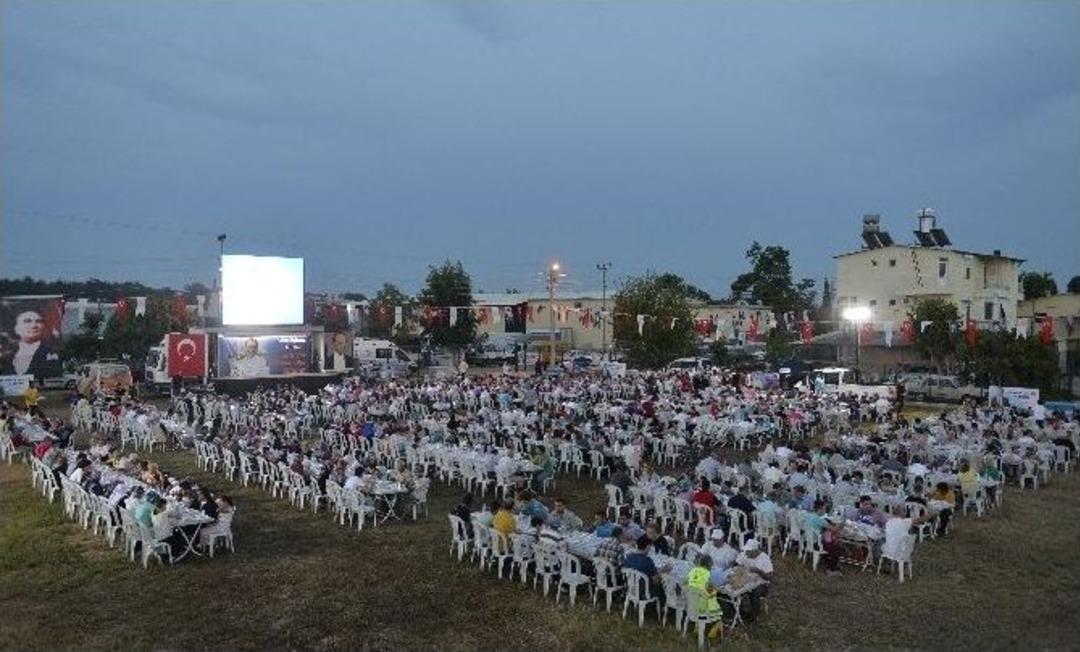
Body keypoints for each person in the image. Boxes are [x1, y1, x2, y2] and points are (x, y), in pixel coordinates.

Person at [1, 309, 61, 379]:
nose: (34, 325)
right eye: (27, 321)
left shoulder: (52, 352)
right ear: (16, 328)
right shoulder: (7, 354)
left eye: (39, 321)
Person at [686, 553, 725, 640]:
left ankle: (697, 626)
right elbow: (711, 592)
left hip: (690, 607)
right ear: (710, 566)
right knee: (718, 607)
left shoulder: (692, 574)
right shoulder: (708, 578)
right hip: (702, 611)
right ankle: (716, 626)